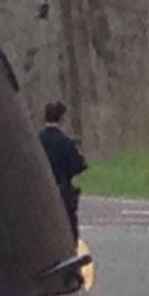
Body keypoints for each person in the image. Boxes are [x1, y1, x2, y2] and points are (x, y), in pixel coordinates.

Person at [39, 101, 88, 240]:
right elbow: (79, 167)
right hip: (62, 192)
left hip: (41, 192)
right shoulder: (66, 143)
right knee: (69, 232)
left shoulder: (36, 141)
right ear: (61, 119)